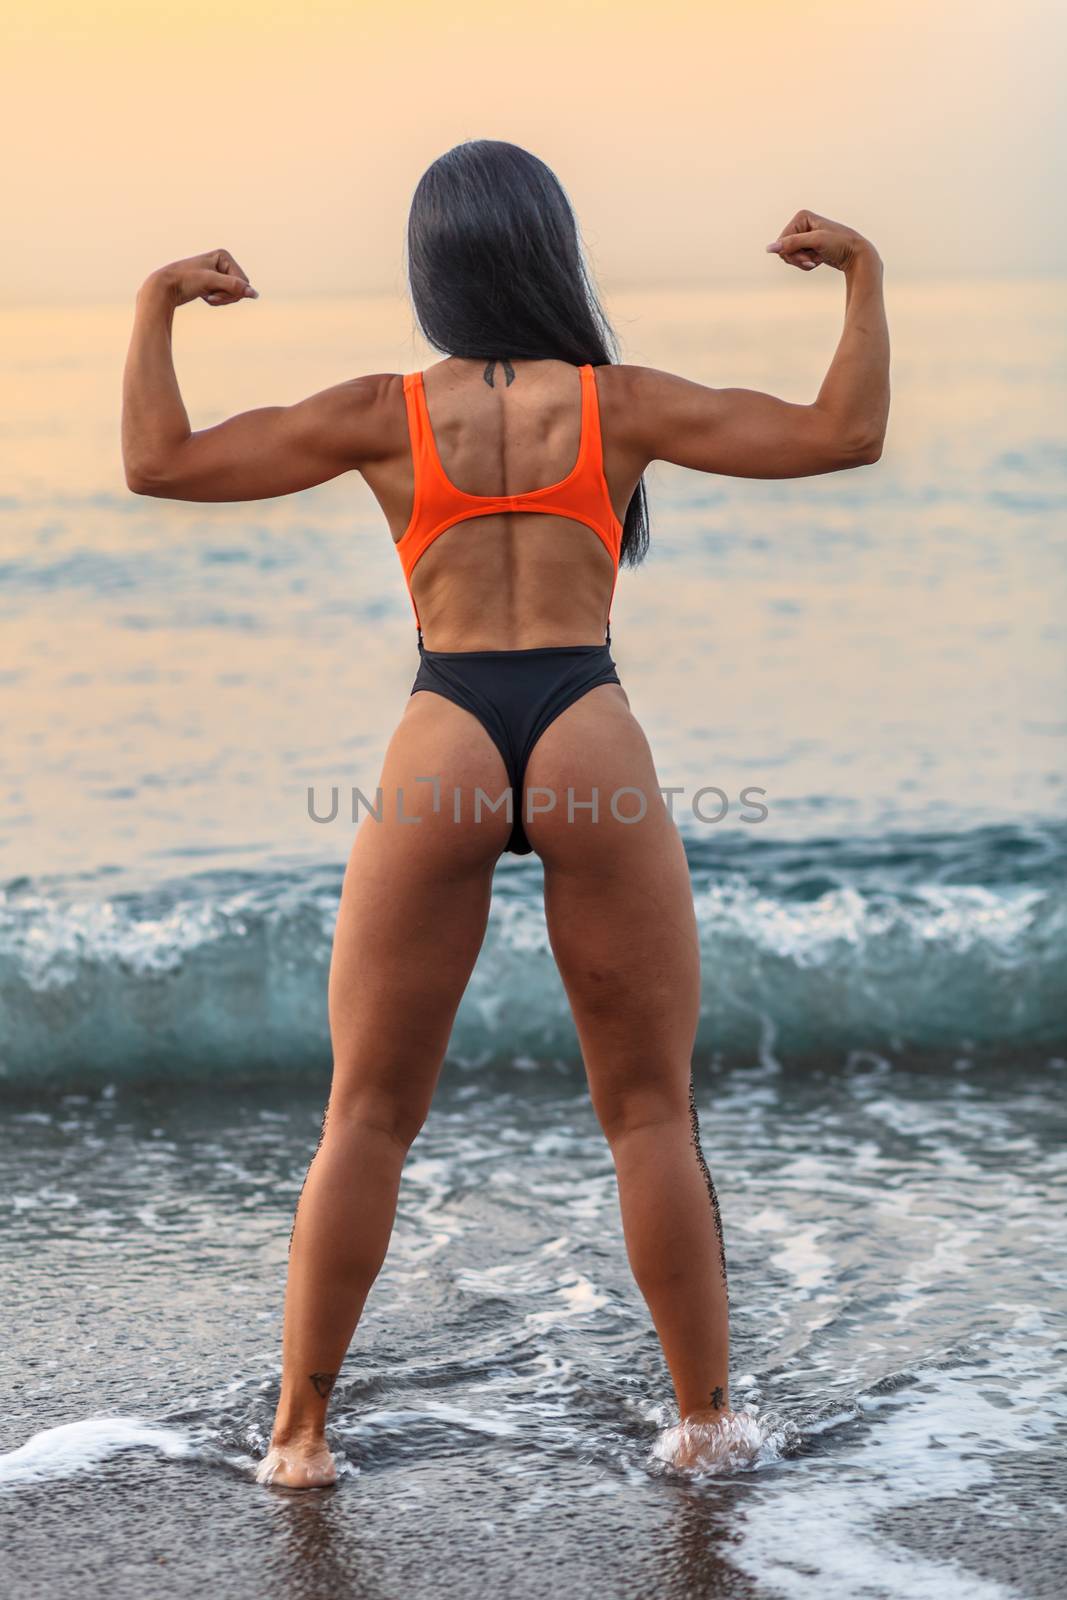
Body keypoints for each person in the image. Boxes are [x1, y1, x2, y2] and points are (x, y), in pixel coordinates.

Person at [122, 139, 889, 1487]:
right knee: (648, 1110)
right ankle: (704, 1423)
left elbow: (161, 462)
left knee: (366, 1111)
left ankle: (299, 1438)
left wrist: (154, 303)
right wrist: (864, 279)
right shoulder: (624, 402)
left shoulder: (382, 410)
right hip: (585, 722)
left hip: (447, 737)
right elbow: (845, 435)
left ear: (432, 270)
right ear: (550, 255)